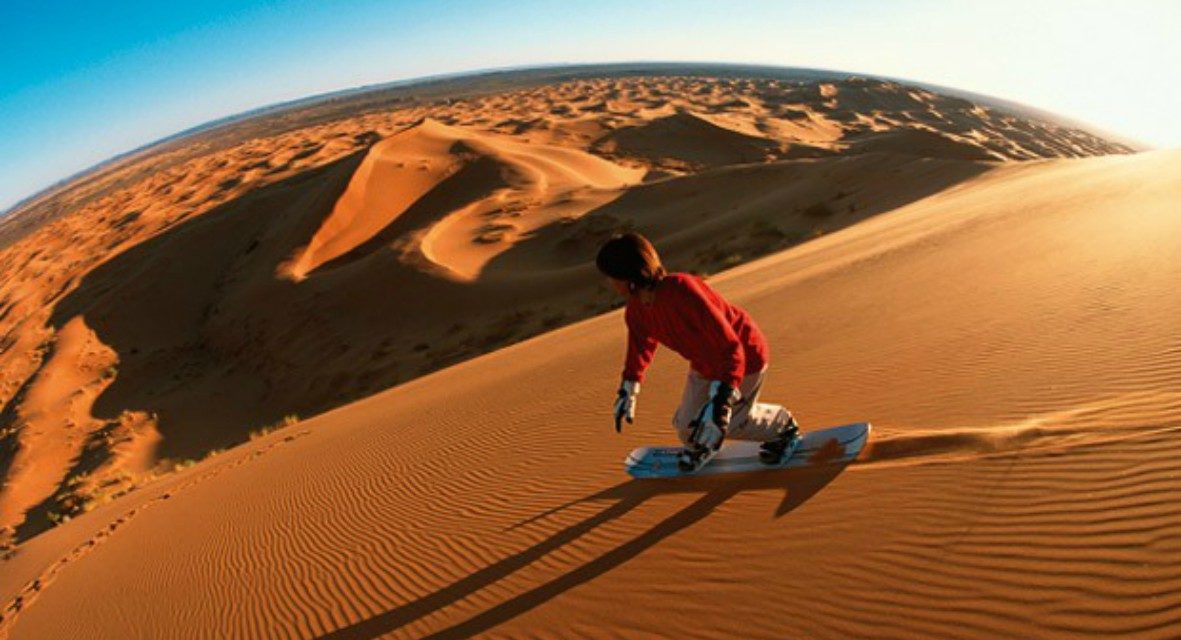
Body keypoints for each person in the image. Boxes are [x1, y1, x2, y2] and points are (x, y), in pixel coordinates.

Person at [596, 232, 800, 472]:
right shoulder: (636, 309)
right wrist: (628, 388)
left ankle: (783, 427)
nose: (611, 283)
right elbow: (640, 346)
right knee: (687, 428)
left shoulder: (683, 290)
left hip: (743, 359)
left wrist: (722, 400)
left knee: (729, 423)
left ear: (629, 274)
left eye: (613, 277)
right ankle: (705, 445)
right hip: (705, 364)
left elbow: (730, 346)